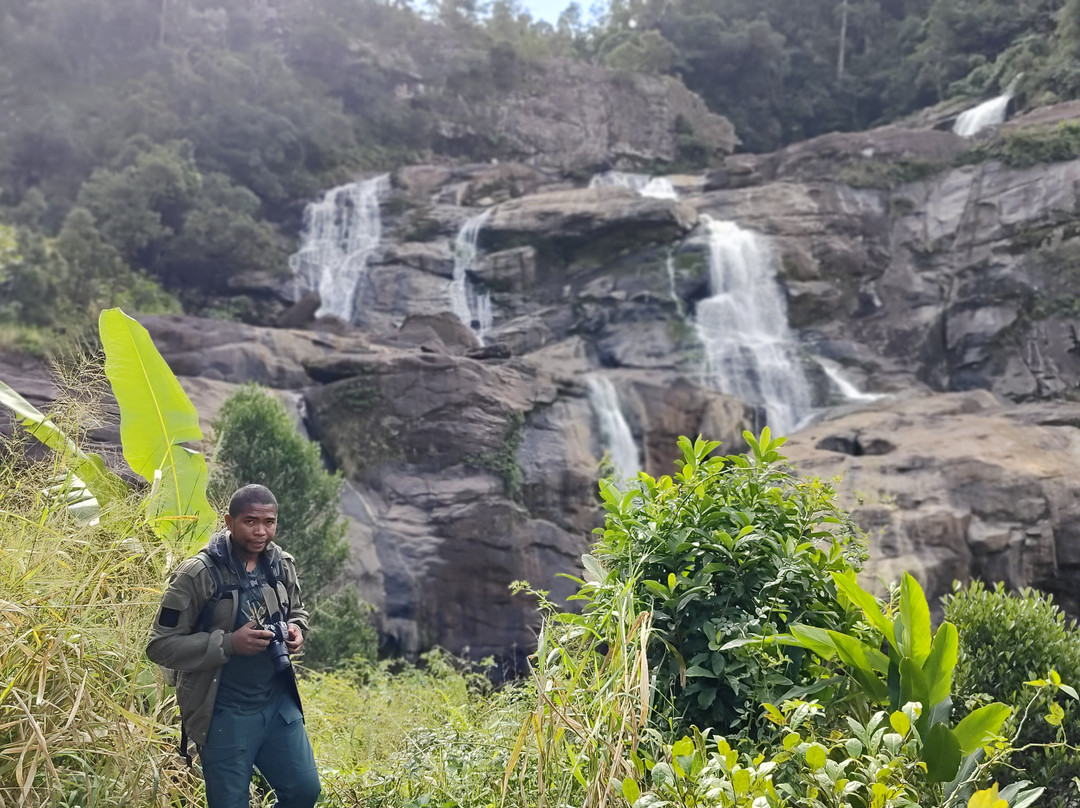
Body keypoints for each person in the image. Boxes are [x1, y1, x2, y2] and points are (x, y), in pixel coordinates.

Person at [147, 484, 321, 808]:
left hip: (276, 703)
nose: (261, 531)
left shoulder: (281, 564)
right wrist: (228, 643)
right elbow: (159, 645)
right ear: (229, 522)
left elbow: (298, 611)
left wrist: (296, 629)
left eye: (269, 522)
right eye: (250, 521)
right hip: (224, 711)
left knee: (304, 792)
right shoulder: (197, 573)